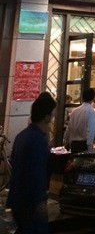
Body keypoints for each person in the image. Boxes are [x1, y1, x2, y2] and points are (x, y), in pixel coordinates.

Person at [7, 92, 57, 234]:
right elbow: (37, 173)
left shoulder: (21, 136)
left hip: (17, 198)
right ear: (46, 117)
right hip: (31, 202)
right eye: (52, 115)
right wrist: (40, 200)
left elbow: (15, 167)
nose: (52, 118)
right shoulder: (38, 140)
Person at [63, 88, 95, 153]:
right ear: (93, 98)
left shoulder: (74, 111)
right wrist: (90, 147)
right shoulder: (91, 111)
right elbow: (90, 130)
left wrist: (66, 140)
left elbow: (69, 127)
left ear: (82, 97)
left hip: (73, 144)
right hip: (84, 145)